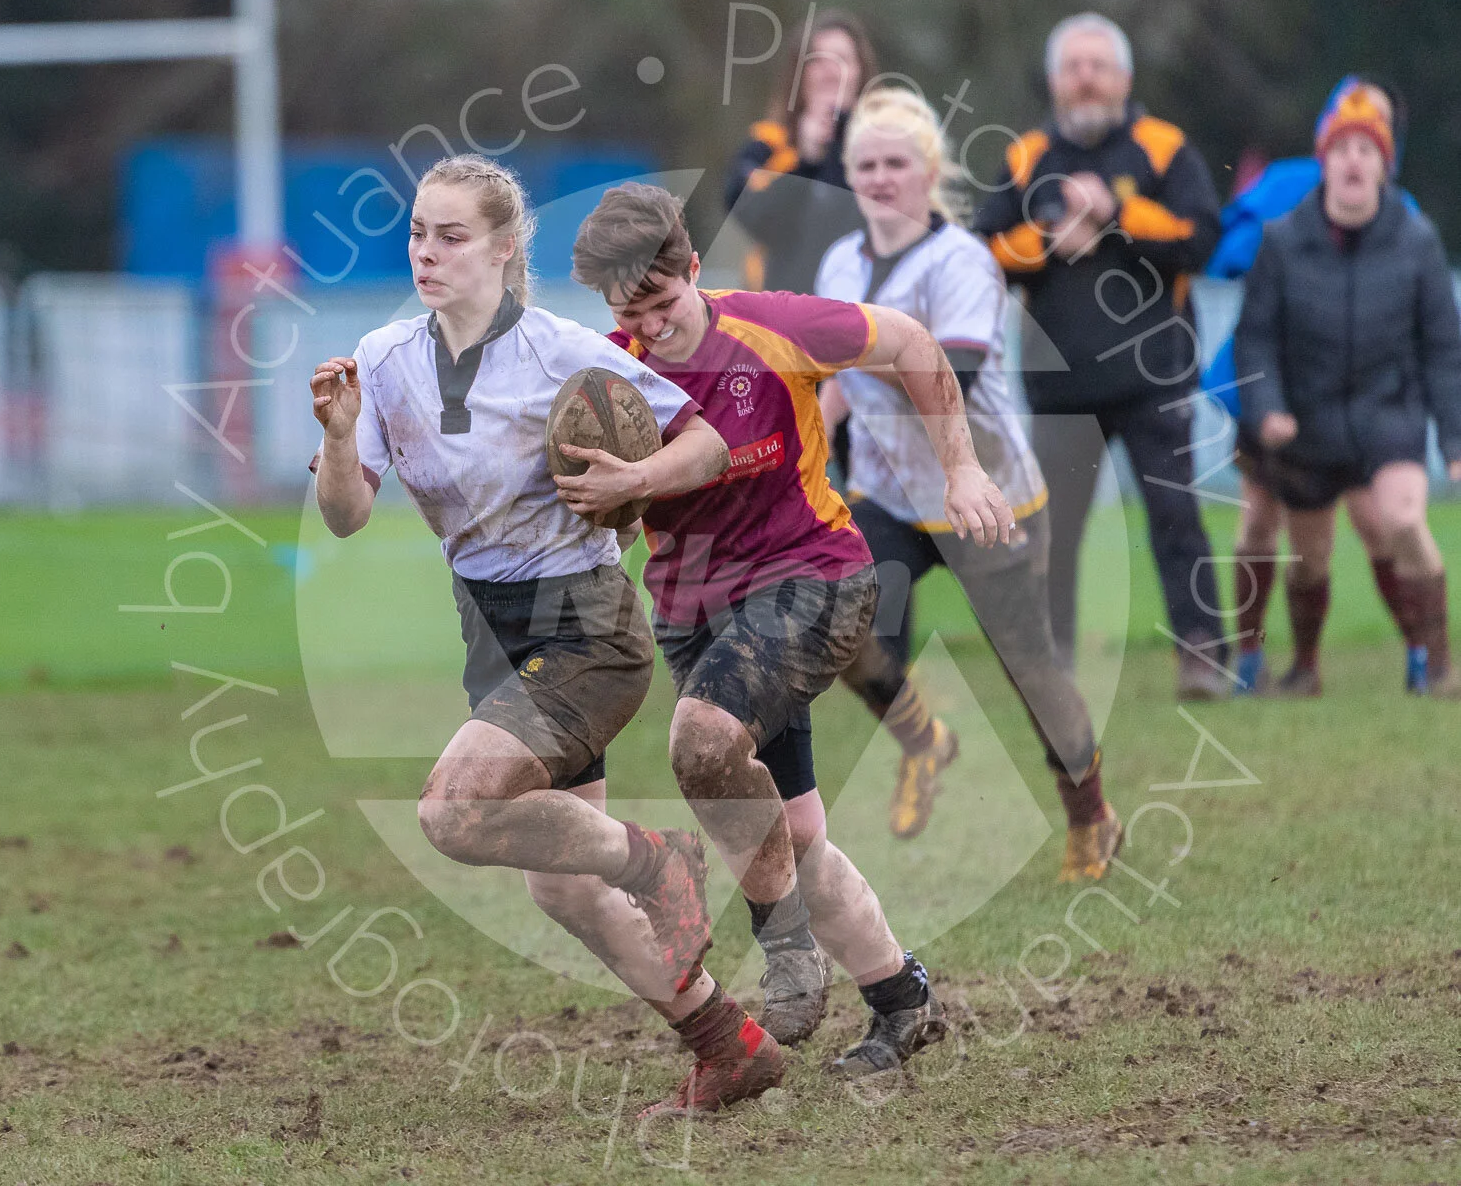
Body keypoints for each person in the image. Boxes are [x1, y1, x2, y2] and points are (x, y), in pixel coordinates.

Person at [305, 154, 795, 1119]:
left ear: (502, 248)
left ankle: (661, 863)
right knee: (559, 891)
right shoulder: (388, 356)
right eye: (417, 233)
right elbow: (346, 515)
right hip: (489, 629)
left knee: (452, 814)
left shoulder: (563, 350)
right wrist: (336, 432)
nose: (427, 253)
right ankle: (728, 1046)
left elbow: (703, 437)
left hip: (584, 627)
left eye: (451, 236)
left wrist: (630, 487)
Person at [567, 182, 1015, 1104]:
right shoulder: (612, 382)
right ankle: (902, 998)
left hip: (815, 578)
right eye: (630, 315)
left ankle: (788, 957)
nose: (651, 329)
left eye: (665, 304)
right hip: (697, 614)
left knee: (699, 742)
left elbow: (913, 344)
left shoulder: (777, 327)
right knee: (796, 834)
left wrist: (961, 466)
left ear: (697, 269)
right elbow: (606, 517)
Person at [814, 87, 1121, 880]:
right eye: (865, 164)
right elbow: (835, 380)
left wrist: (861, 354)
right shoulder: (841, 262)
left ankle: (1091, 813)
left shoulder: (961, 261)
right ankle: (926, 742)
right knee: (851, 634)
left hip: (990, 495)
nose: (880, 178)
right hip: (889, 491)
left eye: (895, 163)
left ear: (929, 173)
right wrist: (808, 441)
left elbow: (953, 370)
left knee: (1029, 668)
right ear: (848, 175)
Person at [972, 12, 1229, 700]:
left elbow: (1203, 239)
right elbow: (982, 248)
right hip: (1060, 384)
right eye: (1072, 67)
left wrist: (1114, 212)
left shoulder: (1164, 147)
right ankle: (1050, 661)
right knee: (1051, 533)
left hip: (1154, 375)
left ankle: (1202, 653)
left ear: (1124, 78)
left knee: (1177, 520)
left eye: (1098, 66)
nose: (1085, 79)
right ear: (1054, 81)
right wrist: (1049, 235)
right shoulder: (1027, 154)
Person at [1202, 78, 1428, 693]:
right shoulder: (1286, 187)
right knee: (1257, 522)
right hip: (1273, 387)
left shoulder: (1400, 216)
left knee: (1377, 523)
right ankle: (1251, 658)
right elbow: (1222, 253)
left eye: (1377, 126)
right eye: (1348, 125)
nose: (1360, 139)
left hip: (1356, 399)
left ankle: (1419, 653)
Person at [724, 8, 876, 295]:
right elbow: (748, 214)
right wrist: (806, 159)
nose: (830, 71)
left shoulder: (886, 148)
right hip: (780, 306)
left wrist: (844, 137)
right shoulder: (769, 143)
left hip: (867, 306)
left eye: (842, 59)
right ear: (798, 73)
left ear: (860, 71)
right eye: (817, 60)